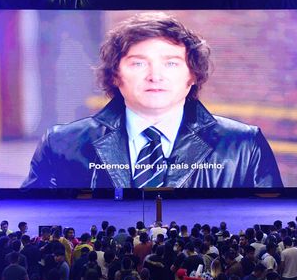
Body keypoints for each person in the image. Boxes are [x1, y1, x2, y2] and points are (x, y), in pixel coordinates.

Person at [21, 11, 282, 188]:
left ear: (192, 75)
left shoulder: (246, 145)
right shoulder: (61, 144)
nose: (155, 76)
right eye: (138, 63)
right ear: (115, 75)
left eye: (170, 63)